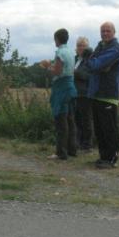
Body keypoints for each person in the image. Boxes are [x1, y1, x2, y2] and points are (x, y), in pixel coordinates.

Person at [85, 22, 119, 169]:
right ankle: (103, 157)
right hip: (96, 93)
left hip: (108, 94)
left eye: (108, 31)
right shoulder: (101, 46)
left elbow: (94, 64)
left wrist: (95, 63)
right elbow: (91, 65)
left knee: (109, 129)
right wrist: (97, 65)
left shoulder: (116, 49)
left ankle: (112, 159)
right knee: (100, 129)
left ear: (114, 32)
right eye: (103, 31)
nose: (105, 33)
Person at [40, 29, 77, 160]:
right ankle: (72, 149)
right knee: (70, 120)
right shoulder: (71, 52)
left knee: (61, 121)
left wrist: (47, 66)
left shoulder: (60, 53)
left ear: (57, 39)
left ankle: (61, 152)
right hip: (71, 87)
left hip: (62, 88)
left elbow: (57, 72)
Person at [73, 36, 94, 152]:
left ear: (87, 47)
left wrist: (74, 73)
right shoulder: (75, 59)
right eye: (79, 45)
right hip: (75, 93)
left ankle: (87, 144)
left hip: (85, 93)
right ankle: (79, 142)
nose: (81, 48)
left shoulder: (89, 60)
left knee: (86, 120)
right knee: (77, 119)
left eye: (83, 46)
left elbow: (88, 76)